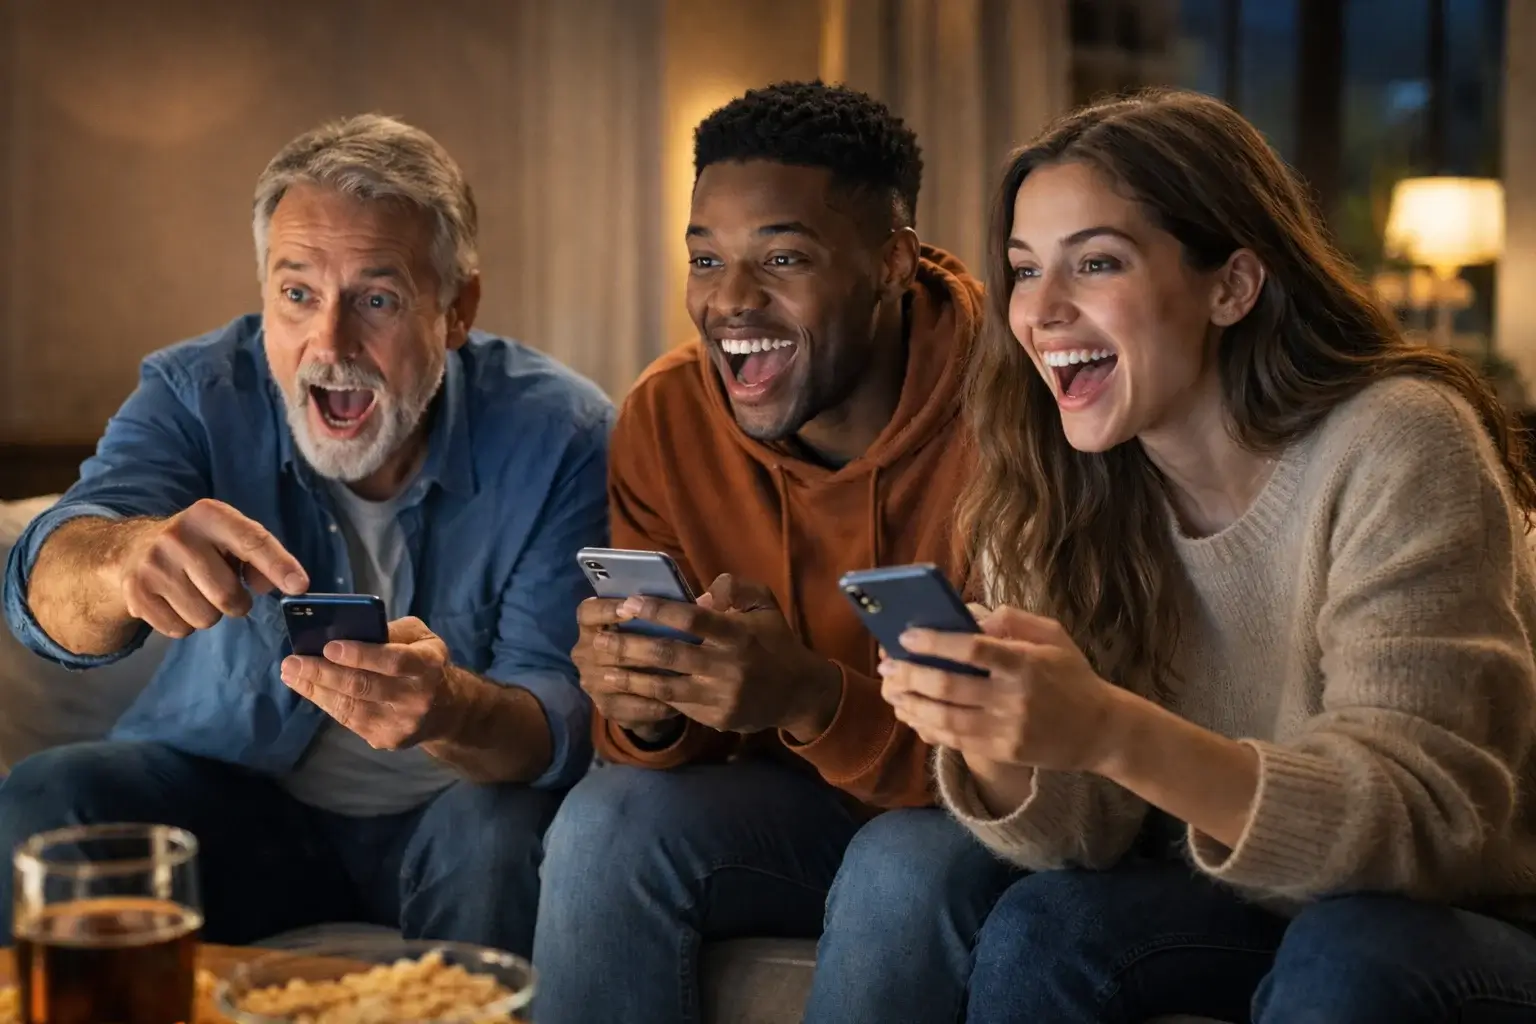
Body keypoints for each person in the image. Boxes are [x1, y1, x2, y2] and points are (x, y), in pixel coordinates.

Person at [879, 88, 1536, 1023]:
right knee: (1045, 925)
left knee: (1349, 953)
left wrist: (1108, 727)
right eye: (1025, 271)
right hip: (1247, 904)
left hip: (1451, 922)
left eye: (1095, 263)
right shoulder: (1060, 479)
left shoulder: (1398, 442)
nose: (1041, 312)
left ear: (1231, 285)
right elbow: (1083, 838)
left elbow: (1425, 826)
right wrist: (998, 739)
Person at [0, 114, 612, 956]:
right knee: (50, 795)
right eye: (297, 295)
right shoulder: (197, 392)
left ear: (458, 307)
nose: (330, 344)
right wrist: (120, 560)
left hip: (453, 813)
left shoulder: (564, 433)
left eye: (377, 299)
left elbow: (558, 719)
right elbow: (49, 584)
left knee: (504, 834)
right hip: (236, 801)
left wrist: (450, 707)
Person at [531, 81, 1013, 1024]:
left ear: (893, 263)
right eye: (705, 258)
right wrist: (650, 708)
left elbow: (1029, 751)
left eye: (782, 256)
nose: (729, 302)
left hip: (975, 810)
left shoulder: (1023, 405)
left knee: (900, 866)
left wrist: (809, 696)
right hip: (787, 810)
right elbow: (662, 744)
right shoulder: (667, 413)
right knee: (603, 822)